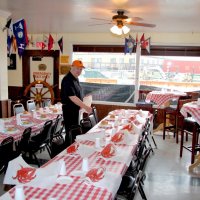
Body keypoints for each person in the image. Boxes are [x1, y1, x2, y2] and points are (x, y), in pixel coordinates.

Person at [61, 60, 92, 147]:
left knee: (75, 131)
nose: (79, 71)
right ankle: (68, 151)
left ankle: (73, 150)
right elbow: (72, 97)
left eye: (81, 69)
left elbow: (77, 94)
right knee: (71, 132)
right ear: (71, 67)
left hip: (75, 109)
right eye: (77, 68)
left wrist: (85, 99)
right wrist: (85, 106)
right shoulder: (67, 79)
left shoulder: (76, 78)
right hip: (69, 110)